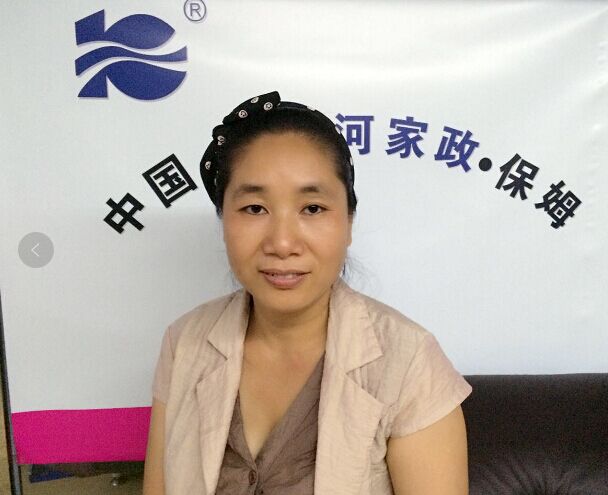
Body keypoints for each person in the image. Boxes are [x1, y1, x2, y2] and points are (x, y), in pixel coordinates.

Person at [143, 90, 472, 495]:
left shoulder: (408, 362)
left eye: (312, 208)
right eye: (254, 208)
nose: (282, 243)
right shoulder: (185, 342)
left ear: (348, 221)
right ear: (223, 219)